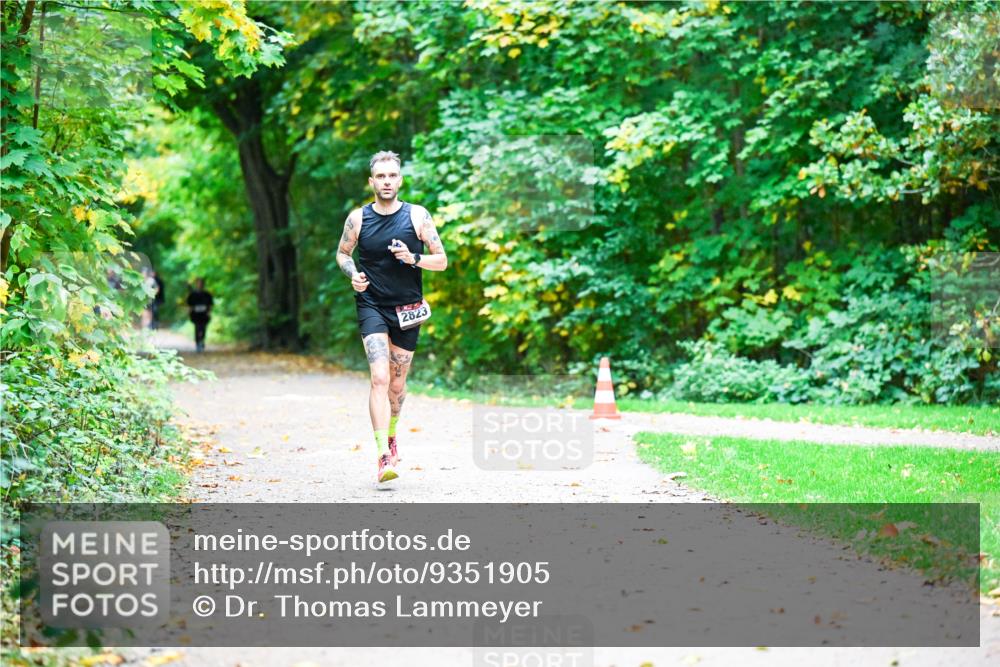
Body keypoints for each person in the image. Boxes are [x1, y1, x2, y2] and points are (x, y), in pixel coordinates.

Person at [336, 150, 448, 484]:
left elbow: (441, 260)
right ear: (372, 182)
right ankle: (383, 456)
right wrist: (352, 273)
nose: (386, 181)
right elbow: (343, 253)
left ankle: (393, 435)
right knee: (380, 379)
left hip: (407, 308)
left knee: (397, 387)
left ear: (399, 179)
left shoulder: (418, 217)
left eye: (392, 176)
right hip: (371, 304)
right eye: (380, 176)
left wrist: (414, 258)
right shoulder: (358, 219)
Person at [187, 278, 213, 352]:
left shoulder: (207, 294)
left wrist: (209, 313)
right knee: (197, 328)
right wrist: (189, 313)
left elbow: (210, 305)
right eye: (198, 283)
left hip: (204, 315)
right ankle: (198, 343)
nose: (199, 285)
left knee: (203, 328)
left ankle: (202, 341)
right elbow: (189, 305)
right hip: (195, 315)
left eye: (201, 283)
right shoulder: (192, 295)